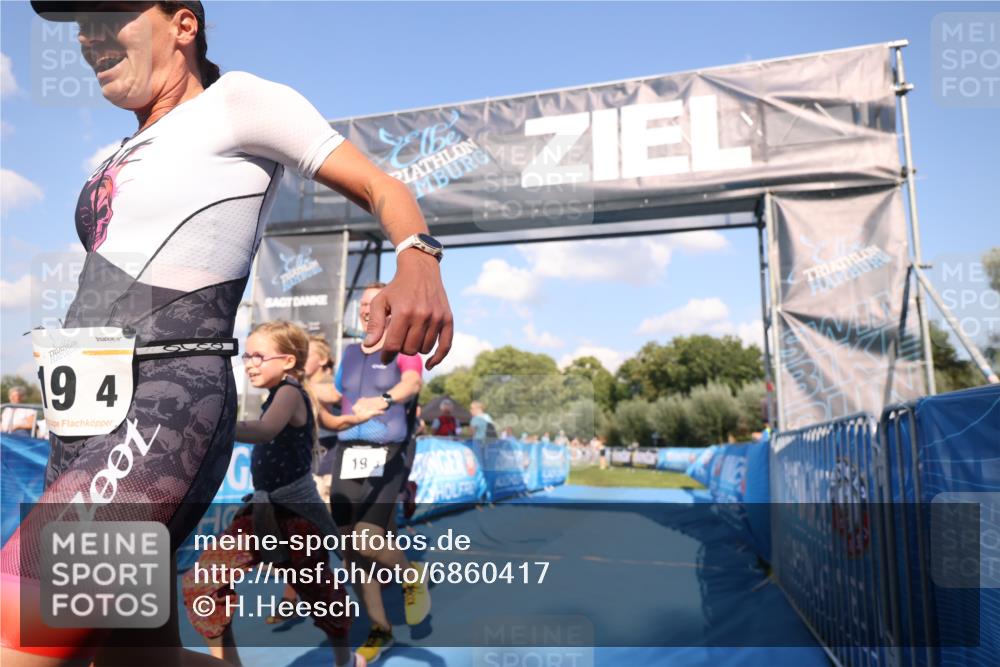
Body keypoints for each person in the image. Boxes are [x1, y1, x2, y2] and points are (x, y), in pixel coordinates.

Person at [4, 3, 452, 666]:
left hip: (160, 406)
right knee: (133, 661)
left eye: (108, 14)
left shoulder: (237, 101)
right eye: (79, 23)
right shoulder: (129, 146)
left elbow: (380, 184)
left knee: (15, 633)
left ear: (182, 25)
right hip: (82, 420)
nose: (87, 35)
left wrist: (418, 256)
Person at [182, 322, 381, 667]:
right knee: (206, 580)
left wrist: (212, 427)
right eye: (247, 356)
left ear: (288, 361)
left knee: (319, 593)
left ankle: (345, 659)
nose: (249, 364)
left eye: (258, 356)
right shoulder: (287, 395)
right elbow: (332, 424)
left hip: (296, 517)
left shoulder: (290, 393)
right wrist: (356, 417)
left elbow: (264, 431)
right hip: (263, 513)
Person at [328, 283, 429, 663]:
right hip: (347, 452)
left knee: (367, 539)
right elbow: (334, 394)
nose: (366, 309)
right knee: (348, 547)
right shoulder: (351, 353)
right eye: (362, 304)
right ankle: (379, 627)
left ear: (391, 310)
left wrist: (384, 399)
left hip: (387, 452)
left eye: (375, 303)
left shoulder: (405, 349)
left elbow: (412, 382)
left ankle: (409, 575)